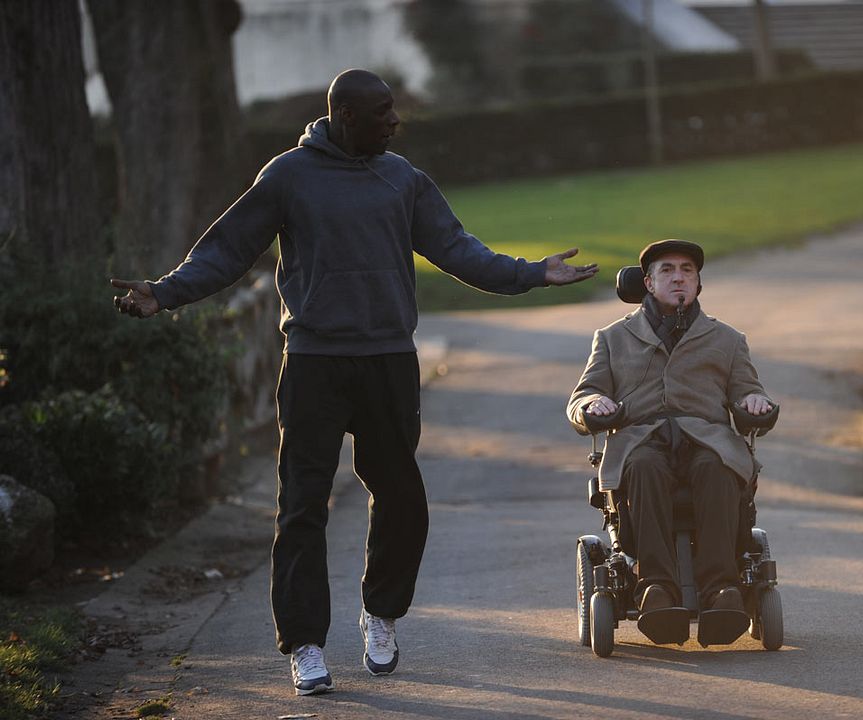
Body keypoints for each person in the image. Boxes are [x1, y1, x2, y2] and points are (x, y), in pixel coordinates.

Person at [112, 68, 597, 696]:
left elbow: (457, 249)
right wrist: (165, 294)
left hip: (388, 360)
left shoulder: (403, 179)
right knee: (302, 505)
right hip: (314, 362)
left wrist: (530, 274)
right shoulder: (287, 175)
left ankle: (381, 614)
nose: (396, 122)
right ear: (344, 117)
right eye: (383, 112)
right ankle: (306, 645)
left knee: (403, 498)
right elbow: (226, 250)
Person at [566, 239, 771, 622]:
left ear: (698, 284)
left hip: (706, 438)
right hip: (640, 439)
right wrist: (592, 405)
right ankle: (655, 588)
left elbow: (747, 391)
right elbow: (582, 396)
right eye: (667, 270)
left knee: (717, 467)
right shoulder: (613, 338)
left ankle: (721, 589)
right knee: (644, 468)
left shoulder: (727, 339)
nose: (678, 277)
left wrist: (755, 402)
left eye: (687, 270)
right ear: (647, 282)